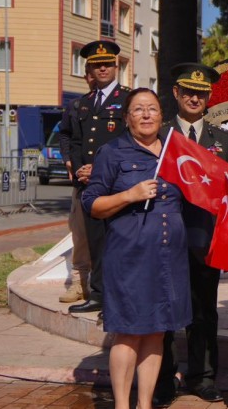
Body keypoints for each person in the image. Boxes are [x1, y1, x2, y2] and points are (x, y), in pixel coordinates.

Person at [80, 88, 190, 409]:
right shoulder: (112, 152)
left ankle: (144, 403)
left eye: (152, 109)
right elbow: (93, 204)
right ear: (127, 118)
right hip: (129, 258)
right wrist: (130, 194)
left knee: (156, 332)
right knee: (128, 332)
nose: (146, 115)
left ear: (161, 116)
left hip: (169, 258)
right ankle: (122, 405)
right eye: (139, 110)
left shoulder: (174, 150)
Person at [154, 63, 228, 407]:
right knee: (165, 311)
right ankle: (164, 378)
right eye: (188, 91)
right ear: (176, 93)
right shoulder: (160, 136)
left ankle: (202, 377)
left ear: (209, 98)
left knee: (204, 311)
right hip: (165, 238)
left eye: (201, 93)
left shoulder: (225, 141)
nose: (194, 98)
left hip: (206, 239)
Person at [69, 40, 132, 314]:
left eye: (107, 63)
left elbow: (131, 139)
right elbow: (73, 138)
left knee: (118, 243)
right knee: (95, 241)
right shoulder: (83, 103)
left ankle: (118, 298)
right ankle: (98, 294)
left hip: (117, 183)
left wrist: (100, 167)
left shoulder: (128, 99)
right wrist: (77, 165)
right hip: (90, 185)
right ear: (90, 69)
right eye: (97, 64)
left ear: (115, 66)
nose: (102, 68)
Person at [57, 70, 95, 304]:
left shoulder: (122, 101)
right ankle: (80, 283)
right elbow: (65, 135)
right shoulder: (76, 105)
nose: (98, 72)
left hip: (111, 183)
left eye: (105, 66)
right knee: (80, 234)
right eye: (93, 69)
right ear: (87, 76)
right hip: (81, 183)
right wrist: (68, 159)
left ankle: (105, 285)